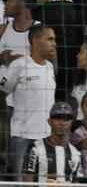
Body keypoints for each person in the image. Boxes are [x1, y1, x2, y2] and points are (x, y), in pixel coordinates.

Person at [0, 25, 56, 181]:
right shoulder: (19, 65)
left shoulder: (50, 67)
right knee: (19, 182)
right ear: (35, 41)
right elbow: (3, 90)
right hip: (22, 137)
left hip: (45, 138)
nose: (54, 43)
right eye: (50, 39)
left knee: (44, 181)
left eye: (54, 39)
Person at [22, 101, 81, 185]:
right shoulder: (35, 148)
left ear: (71, 123)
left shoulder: (75, 154)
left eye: (66, 119)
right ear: (49, 121)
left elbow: (76, 182)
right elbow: (27, 181)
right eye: (58, 118)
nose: (62, 123)